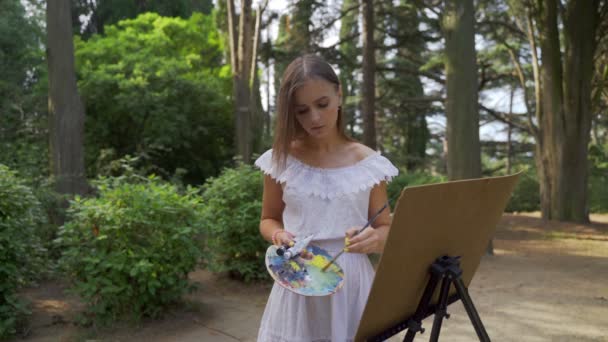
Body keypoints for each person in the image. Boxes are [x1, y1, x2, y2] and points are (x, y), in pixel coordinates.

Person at [255, 54, 398, 341]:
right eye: (302, 111)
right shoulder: (280, 160)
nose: (315, 118)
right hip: (298, 281)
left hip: (352, 288)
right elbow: (268, 219)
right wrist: (278, 234)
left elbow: (386, 228)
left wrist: (375, 238)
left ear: (339, 95)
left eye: (322, 104)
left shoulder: (370, 165)